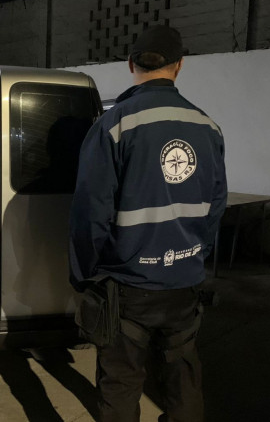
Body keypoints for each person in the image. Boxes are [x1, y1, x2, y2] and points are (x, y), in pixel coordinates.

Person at [69, 26, 227, 422]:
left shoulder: (114, 125)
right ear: (179, 66)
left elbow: (90, 212)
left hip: (128, 284)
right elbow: (215, 206)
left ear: (130, 64)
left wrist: (85, 275)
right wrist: (194, 257)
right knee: (183, 379)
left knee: (121, 383)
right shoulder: (207, 127)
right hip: (185, 282)